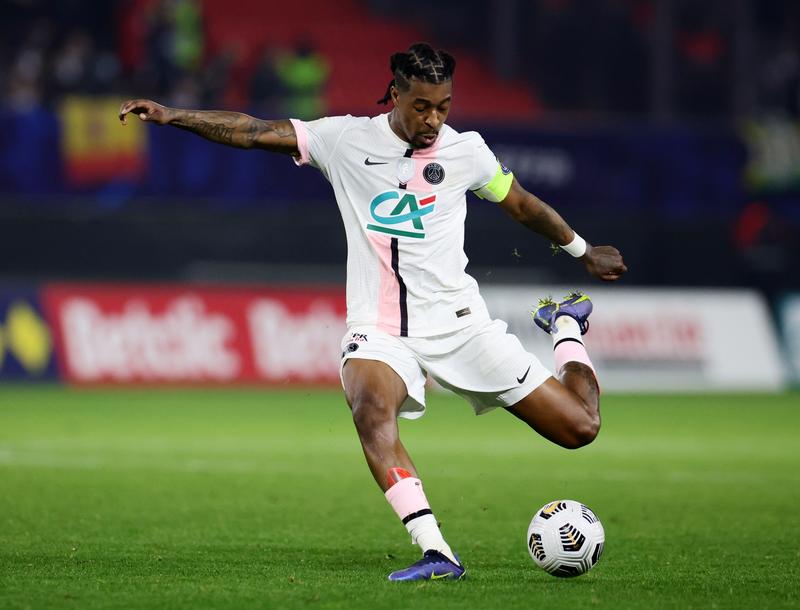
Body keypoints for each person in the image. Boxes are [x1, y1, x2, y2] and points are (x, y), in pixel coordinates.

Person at [119, 42, 627, 582]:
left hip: (460, 326)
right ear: (395, 95)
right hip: (380, 329)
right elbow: (251, 130)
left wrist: (582, 249)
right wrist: (173, 115)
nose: (433, 119)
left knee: (581, 428)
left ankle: (567, 325)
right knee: (368, 405)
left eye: (444, 106)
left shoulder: (467, 153)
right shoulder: (344, 140)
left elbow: (521, 203)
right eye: (422, 106)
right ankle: (437, 551)